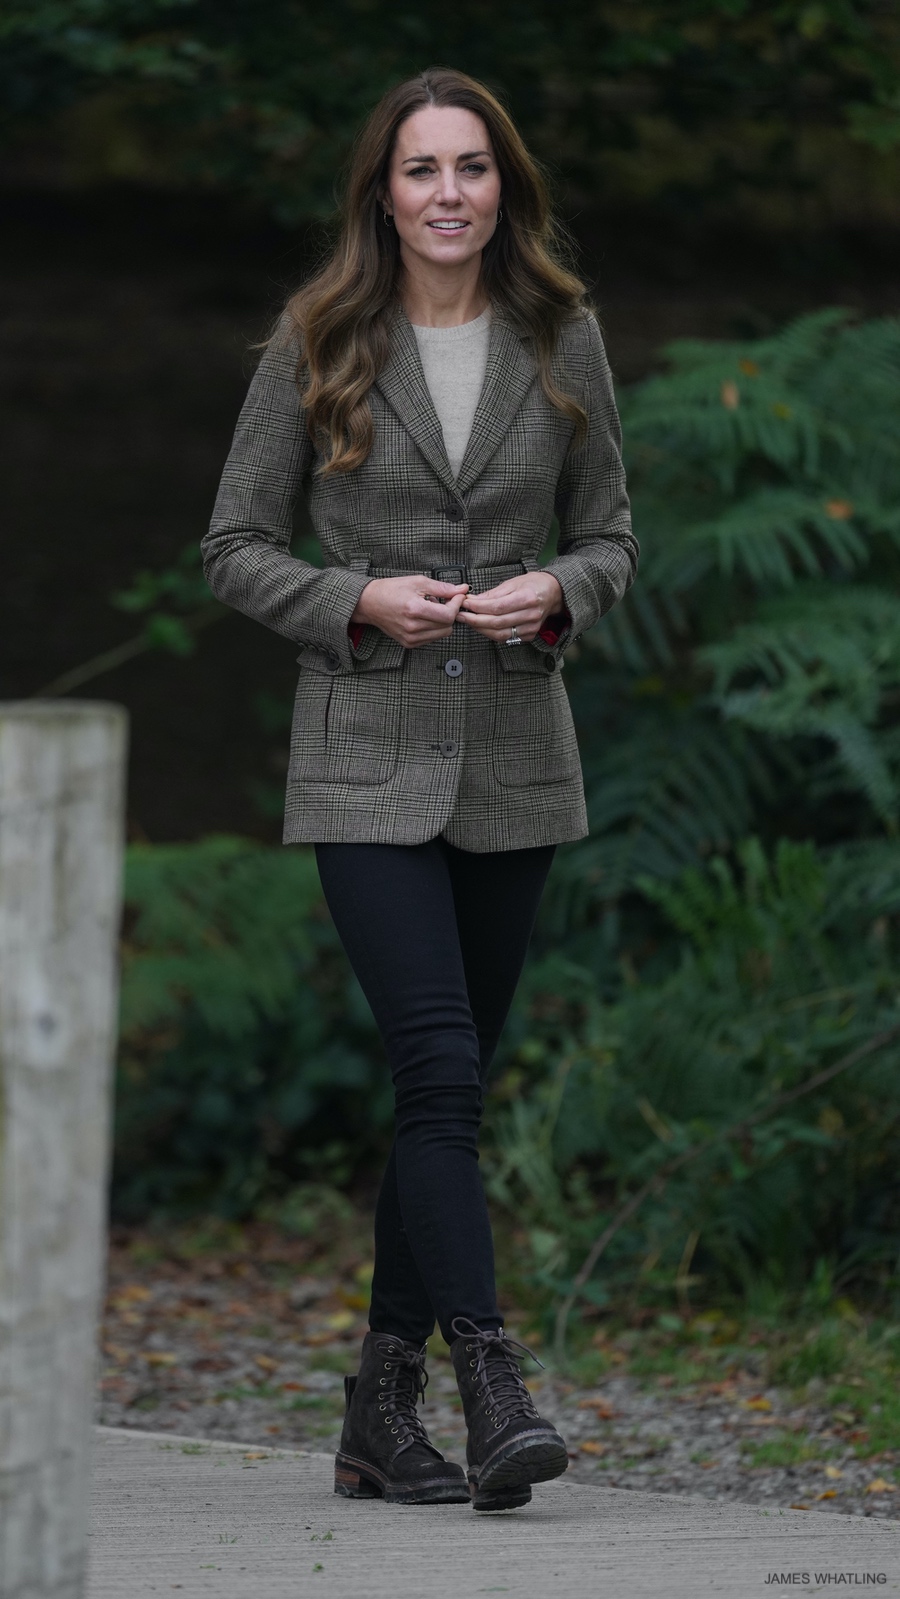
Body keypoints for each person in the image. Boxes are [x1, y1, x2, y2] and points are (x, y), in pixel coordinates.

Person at [202, 66, 637, 1514]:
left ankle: (377, 1413)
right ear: (380, 194)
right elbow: (233, 547)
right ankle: (490, 1377)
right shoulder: (316, 341)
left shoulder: (562, 336)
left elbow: (615, 537)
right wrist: (359, 598)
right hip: (365, 760)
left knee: (437, 1096)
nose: (448, 193)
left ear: (501, 184)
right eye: (420, 169)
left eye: (471, 167)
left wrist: (558, 597)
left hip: (518, 760)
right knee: (441, 1074)